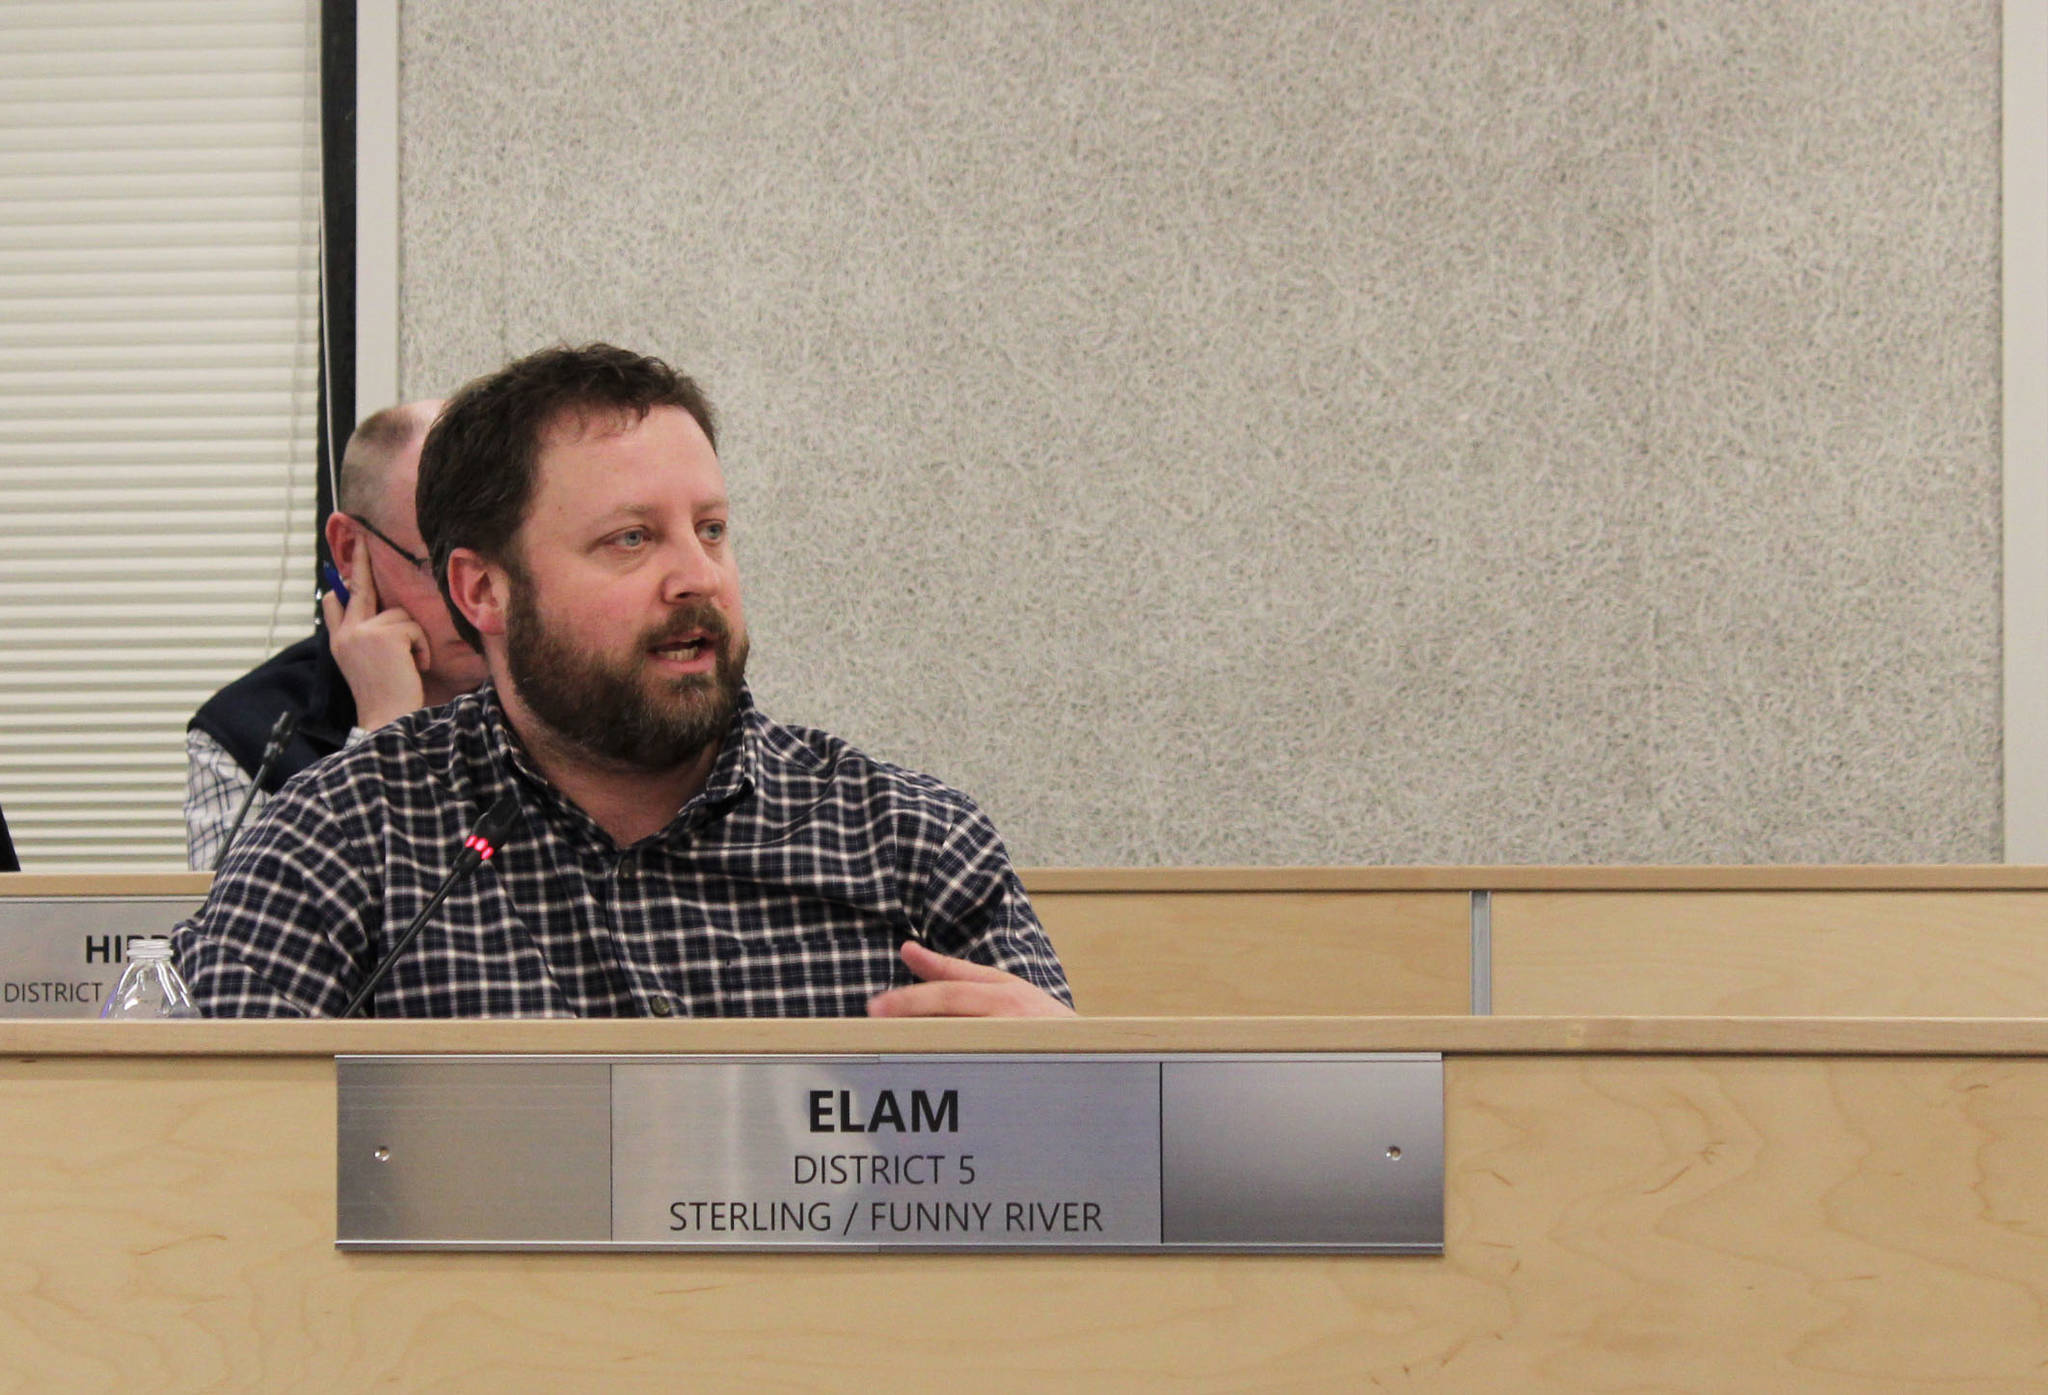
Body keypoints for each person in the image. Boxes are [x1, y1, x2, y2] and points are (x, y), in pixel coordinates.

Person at [171, 344, 1072, 1019]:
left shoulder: (908, 844)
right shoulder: (339, 841)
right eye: (631, 539)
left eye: (711, 529)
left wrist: (1081, 1090)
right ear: (482, 589)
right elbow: (203, 1187)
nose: (698, 578)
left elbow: (1090, 1210)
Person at [183, 402, 489, 868]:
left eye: (503, 562)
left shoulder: (559, 695)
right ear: (349, 550)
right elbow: (246, 936)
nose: (482, 601)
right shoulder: (249, 732)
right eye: (440, 566)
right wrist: (382, 737)